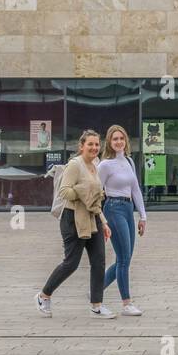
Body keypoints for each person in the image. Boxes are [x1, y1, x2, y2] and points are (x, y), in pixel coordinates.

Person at [35, 130, 113, 319]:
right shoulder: (75, 165)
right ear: (81, 146)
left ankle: (97, 305)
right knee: (71, 263)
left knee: (99, 261)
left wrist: (104, 222)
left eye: (97, 144)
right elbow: (64, 192)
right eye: (90, 144)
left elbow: (95, 199)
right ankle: (43, 295)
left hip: (92, 218)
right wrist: (83, 191)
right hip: (73, 218)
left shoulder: (95, 165)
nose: (95, 148)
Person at [94, 125, 148, 317]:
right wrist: (101, 220)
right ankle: (127, 304)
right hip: (113, 208)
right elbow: (96, 193)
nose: (118, 142)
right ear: (109, 142)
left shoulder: (129, 161)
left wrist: (143, 216)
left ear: (126, 141)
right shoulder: (105, 165)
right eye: (114, 139)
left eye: (121, 138)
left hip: (128, 209)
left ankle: (95, 291)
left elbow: (135, 190)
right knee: (124, 259)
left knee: (124, 259)